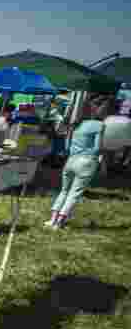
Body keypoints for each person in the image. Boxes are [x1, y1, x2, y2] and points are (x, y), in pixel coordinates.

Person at [45, 96, 113, 229]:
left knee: (64, 191)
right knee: (74, 193)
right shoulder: (99, 125)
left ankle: (52, 220)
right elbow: (97, 148)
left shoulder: (77, 123)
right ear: (101, 110)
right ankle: (59, 223)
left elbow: (67, 145)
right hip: (86, 162)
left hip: (70, 161)